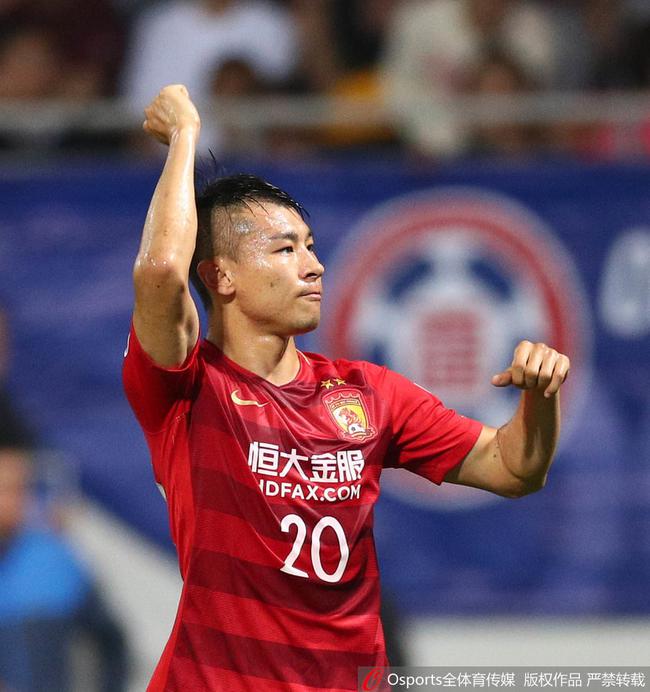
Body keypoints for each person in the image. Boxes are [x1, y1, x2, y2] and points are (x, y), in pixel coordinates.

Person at [123, 85, 571, 692]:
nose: (314, 265)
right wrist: (185, 137)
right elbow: (159, 273)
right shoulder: (187, 388)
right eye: (286, 249)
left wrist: (540, 397)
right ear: (221, 276)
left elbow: (514, 469)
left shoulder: (368, 393)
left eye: (311, 246)